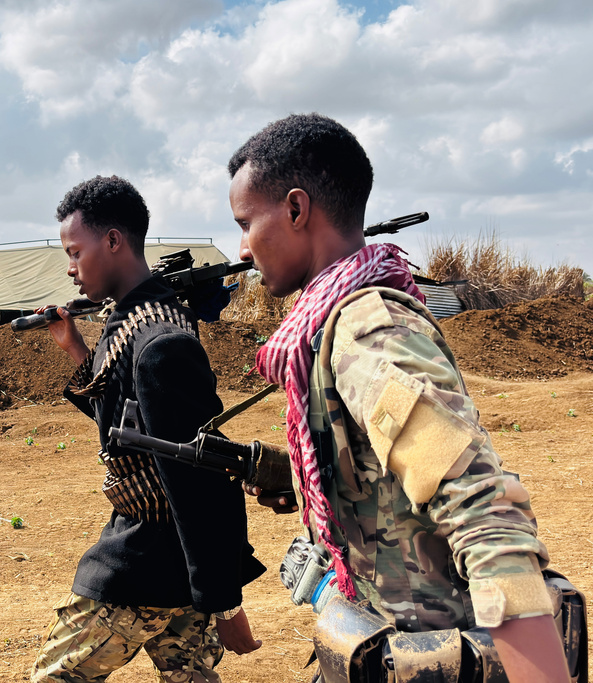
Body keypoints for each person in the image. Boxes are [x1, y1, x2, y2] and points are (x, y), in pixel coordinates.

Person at [227, 114, 571, 682]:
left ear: (295, 209)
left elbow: (482, 508)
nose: (242, 249)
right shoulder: (327, 325)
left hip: (428, 652)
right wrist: (296, 477)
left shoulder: (366, 329)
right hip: (380, 641)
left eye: (245, 224)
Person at [30, 175, 266, 683]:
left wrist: (225, 604)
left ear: (114, 240)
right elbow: (129, 430)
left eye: (75, 252)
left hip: (148, 557)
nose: (70, 269)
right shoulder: (132, 319)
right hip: (171, 558)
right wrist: (75, 349)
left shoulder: (160, 341)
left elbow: (201, 476)